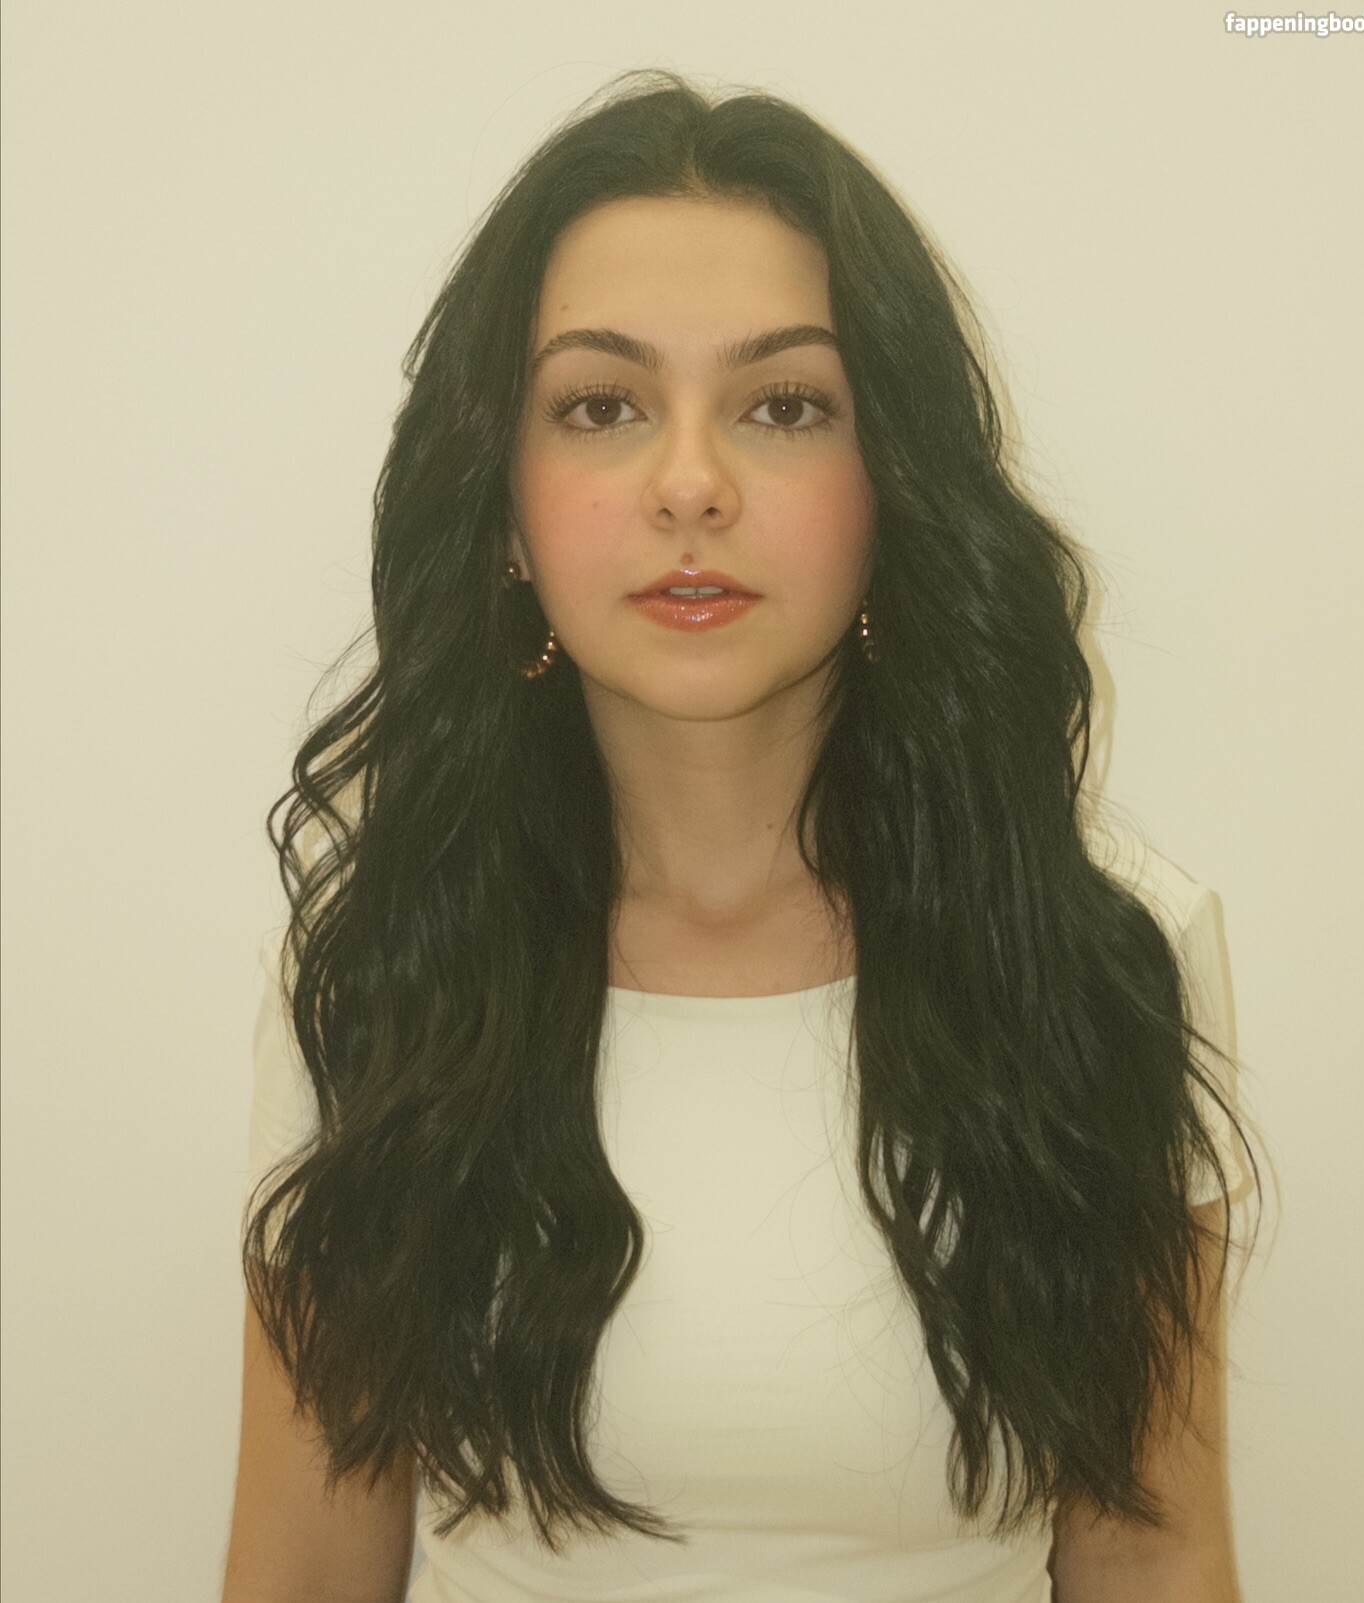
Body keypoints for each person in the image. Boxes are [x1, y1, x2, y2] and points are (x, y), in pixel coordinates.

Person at [222, 67, 1256, 1603]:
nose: (691, 484)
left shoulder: (1109, 951)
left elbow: (1155, 1551)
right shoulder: (377, 964)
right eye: (602, 406)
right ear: (504, 510)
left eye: (785, 406)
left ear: (892, 486)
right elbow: (304, 1569)